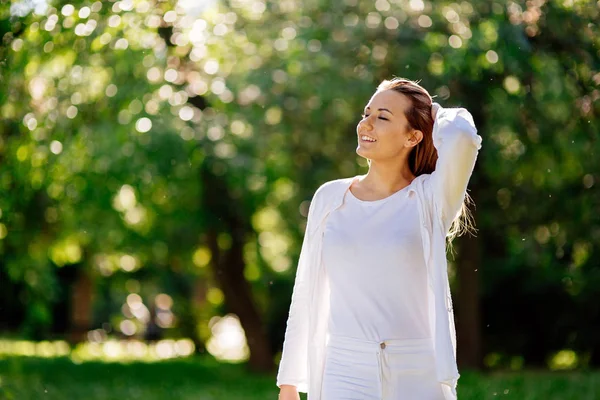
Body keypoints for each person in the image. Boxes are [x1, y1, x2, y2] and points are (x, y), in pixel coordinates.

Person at [276, 78, 483, 400]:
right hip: (343, 369)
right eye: (366, 113)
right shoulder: (330, 198)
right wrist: (289, 382)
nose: (365, 124)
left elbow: (464, 136)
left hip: (417, 371)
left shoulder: (430, 198)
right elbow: (306, 290)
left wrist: (431, 111)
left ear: (413, 136)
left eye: (383, 117)